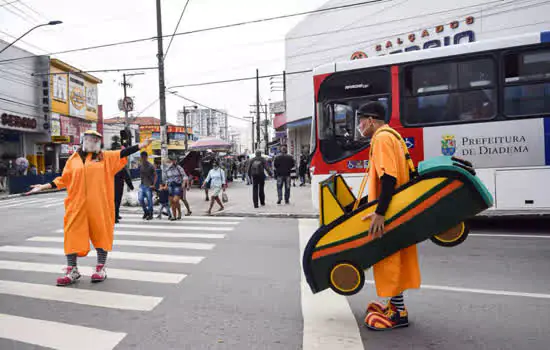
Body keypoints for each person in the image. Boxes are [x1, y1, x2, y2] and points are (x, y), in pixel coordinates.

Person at [28, 130, 152, 286]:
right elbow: (64, 179)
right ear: (83, 141)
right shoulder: (73, 160)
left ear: (99, 142)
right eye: (89, 139)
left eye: (95, 139)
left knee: (101, 234)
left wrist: (140, 146)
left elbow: (122, 153)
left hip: (99, 205)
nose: (92, 141)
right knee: (72, 235)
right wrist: (44, 186)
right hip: (76, 206)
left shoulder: (105, 157)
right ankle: (72, 270)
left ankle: (100, 269)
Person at [355, 101, 421, 331]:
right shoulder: (392, 135)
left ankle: (398, 314)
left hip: (390, 211)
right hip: (397, 207)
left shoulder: (381, 138)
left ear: (371, 120)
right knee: (394, 259)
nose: (360, 125)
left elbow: (389, 178)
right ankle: (395, 306)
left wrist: (380, 213)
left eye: (361, 120)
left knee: (389, 261)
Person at [164, 154, 191, 220]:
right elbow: (165, 179)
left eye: (170, 161)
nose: (169, 163)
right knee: (172, 202)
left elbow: (185, 176)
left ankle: (180, 213)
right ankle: (175, 216)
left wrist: (184, 183)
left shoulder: (178, 168)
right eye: (169, 161)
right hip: (170, 186)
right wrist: (166, 185)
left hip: (177, 186)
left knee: (175, 200)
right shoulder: (166, 169)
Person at [114, 147, 134, 224]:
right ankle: (115, 217)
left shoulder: (112, 165)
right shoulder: (121, 166)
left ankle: (117, 214)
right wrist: (131, 186)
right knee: (116, 202)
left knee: (115, 202)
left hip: (114, 186)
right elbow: (127, 177)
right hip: (118, 186)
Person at [138, 151, 157, 220]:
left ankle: (150, 214)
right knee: (140, 199)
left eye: (144, 157)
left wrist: (153, 185)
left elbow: (155, 175)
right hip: (142, 185)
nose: (142, 158)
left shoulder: (151, 166)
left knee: (149, 200)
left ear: (146, 157)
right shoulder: (140, 165)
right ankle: (146, 212)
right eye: (141, 157)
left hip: (149, 185)